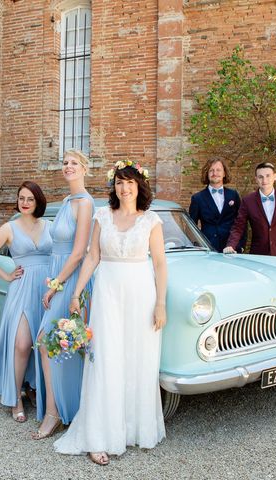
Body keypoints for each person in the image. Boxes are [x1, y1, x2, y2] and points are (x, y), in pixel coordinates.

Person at [53, 160, 167, 465]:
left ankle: (129, 429)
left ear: (139, 186)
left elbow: (159, 264)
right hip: (107, 293)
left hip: (142, 294)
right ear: (113, 186)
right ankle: (99, 434)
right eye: (119, 182)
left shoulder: (151, 221)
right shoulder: (103, 216)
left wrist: (160, 304)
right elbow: (92, 256)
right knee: (105, 359)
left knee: (136, 360)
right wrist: (76, 292)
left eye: (129, 182)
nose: (124, 187)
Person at [33, 149, 94, 440]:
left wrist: (56, 285)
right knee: (52, 342)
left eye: (74, 163)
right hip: (57, 272)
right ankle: (56, 410)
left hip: (71, 279)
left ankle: (63, 411)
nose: (68, 167)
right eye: (65, 163)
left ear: (85, 169)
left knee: (53, 342)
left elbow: (80, 250)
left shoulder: (85, 203)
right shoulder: (66, 201)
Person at [0, 181, 52, 423]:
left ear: (38, 201)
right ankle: (16, 397)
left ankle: (34, 387)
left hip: (46, 290)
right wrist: (7, 276)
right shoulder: (9, 228)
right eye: (21, 198)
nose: (24, 203)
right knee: (22, 344)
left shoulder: (49, 226)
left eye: (30, 198)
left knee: (44, 343)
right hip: (22, 289)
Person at [189, 158, 245, 252]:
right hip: (208, 249)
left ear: (224, 173)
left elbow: (241, 222)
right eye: (211, 170)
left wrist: (241, 246)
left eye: (218, 170)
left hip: (232, 249)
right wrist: (197, 246)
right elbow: (191, 227)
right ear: (207, 174)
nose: (215, 173)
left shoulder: (233, 195)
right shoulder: (197, 198)